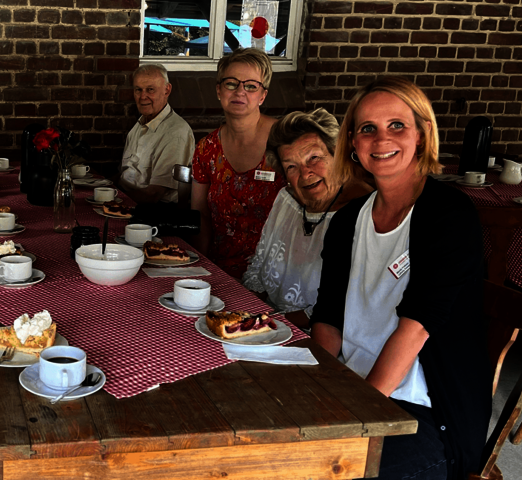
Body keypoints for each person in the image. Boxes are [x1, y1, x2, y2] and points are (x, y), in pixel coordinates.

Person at [311, 77, 490, 480]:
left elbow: (417, 326)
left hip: (424, 416)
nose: (381, 139)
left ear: (422, 135)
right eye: (367, 128)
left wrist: (356, 415)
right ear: (353, 144)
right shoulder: (345, 222)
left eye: (397, 125)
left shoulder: (449, 215)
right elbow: (328, 317)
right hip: (353, 388)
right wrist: (321, 390)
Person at [242, 109, 372, 329]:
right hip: (269, 325)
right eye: (292, 166)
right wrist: (247, 320)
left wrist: (269, 325)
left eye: (314, 158)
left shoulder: (364, 211)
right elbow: (257, 270)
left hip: (323, 338)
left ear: (337, 156)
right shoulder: (287, 200)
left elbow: (343, 306)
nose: (305, 173)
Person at [191, 48, 285, 279]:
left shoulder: (285, 141)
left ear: (262, 96)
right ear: (218, 90)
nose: (240, 91)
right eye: (231, 83)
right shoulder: (206, 148)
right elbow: (200, 215)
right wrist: (200, 272)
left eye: (251, 85)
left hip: (277, 274)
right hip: (219, 270)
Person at [118, 63, 195, 204]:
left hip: (154, 214)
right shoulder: (140, 124)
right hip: (127, 201)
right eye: (138, 90)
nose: (143, 97)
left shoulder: (176, 132)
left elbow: (154, 194)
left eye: (150, 90)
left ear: (167, 90)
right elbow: (123, 176)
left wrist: (114, 200)